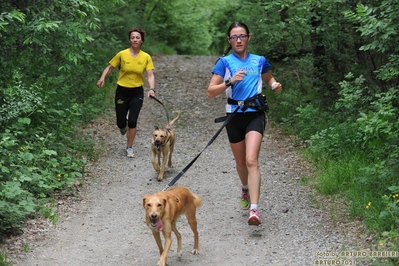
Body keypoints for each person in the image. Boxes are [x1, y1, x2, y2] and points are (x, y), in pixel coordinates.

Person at [207, 22, 282, 225]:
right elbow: (211, 92)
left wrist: (274, 84)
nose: (238, 40)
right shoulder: (224, 62)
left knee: (251, 160)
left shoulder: (259, 60)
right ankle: (245, 188)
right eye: (234, 37)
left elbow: (268, 78)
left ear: (248, 37)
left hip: (255, 114)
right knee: (241, 163)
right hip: (234, 116)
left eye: (242, 36)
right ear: (229, 40)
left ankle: (255, 210)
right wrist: (230, 82)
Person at [97, 27, 156, 158]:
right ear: (130, 40)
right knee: (121, 123)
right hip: (122, 92)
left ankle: (129, 147)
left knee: (133, 121)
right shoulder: (122, 54)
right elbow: (110, 67)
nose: (135, 39)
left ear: (141, 40)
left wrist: (151, 89)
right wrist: (102, 78)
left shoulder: (146, 57)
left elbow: (150, 75)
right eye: (133, 37)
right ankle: (123, 125)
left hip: (137, 92)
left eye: (137, 37)